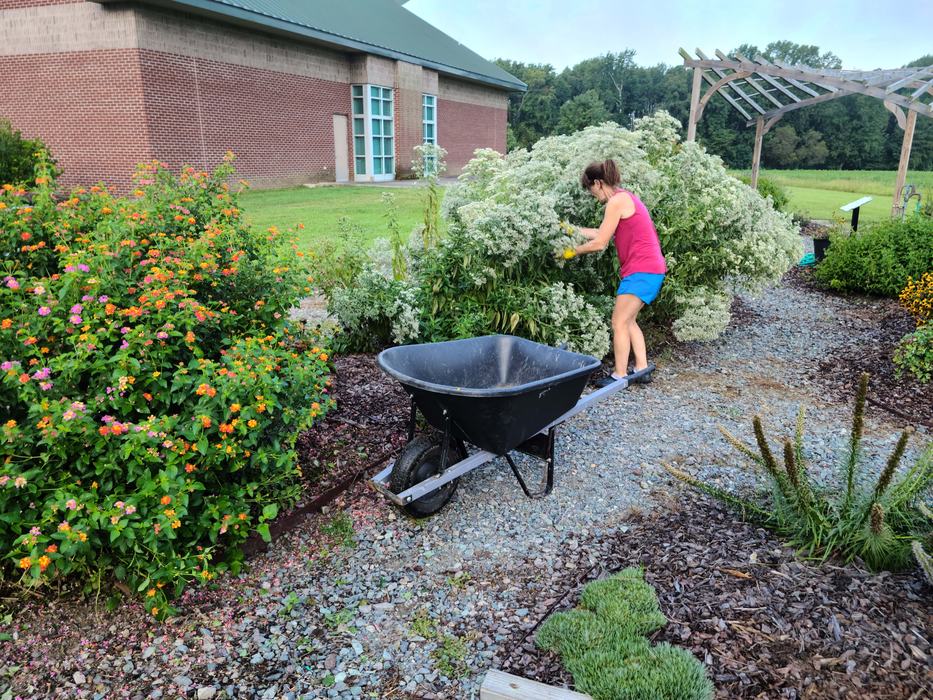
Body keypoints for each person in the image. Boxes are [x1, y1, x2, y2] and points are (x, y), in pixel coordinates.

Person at [564, 159, 666, 388]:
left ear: (598, 183)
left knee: (618, 322)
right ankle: (642, 369)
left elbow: (600, 243)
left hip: (642, 270)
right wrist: (570, 229)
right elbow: (602, 232)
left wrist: (570, 252)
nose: (592, 195)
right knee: (629, 321)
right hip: (650, 269)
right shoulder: (623, 198)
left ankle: (618, 376)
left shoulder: (616, 202)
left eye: (590, 189)